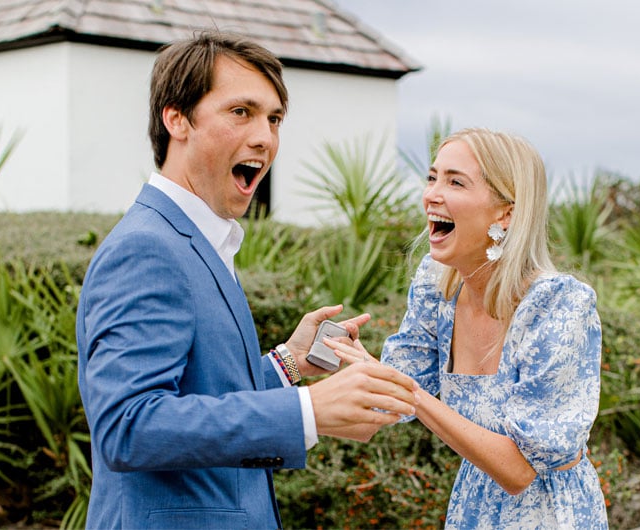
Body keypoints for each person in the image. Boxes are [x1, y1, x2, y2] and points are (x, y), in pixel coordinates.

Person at [75, 31, 418, 530]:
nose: (266, 137)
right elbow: (128, 426)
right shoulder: (146, 248)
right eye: (242, 112)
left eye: (274, 119)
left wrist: (289, 364)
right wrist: (307, 411)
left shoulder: (203, 239)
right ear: (177, 119)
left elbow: (199, 397)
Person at [328, 128, 609, 529]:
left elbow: (517, 471)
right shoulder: (437, 284)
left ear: (506, 212)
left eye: (455, 181)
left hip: (547, 515)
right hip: (472, 508)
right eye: (432, 178)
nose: (432, 194)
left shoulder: (558, 305)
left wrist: (407, 392)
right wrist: (310, 366)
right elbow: (379, 410)